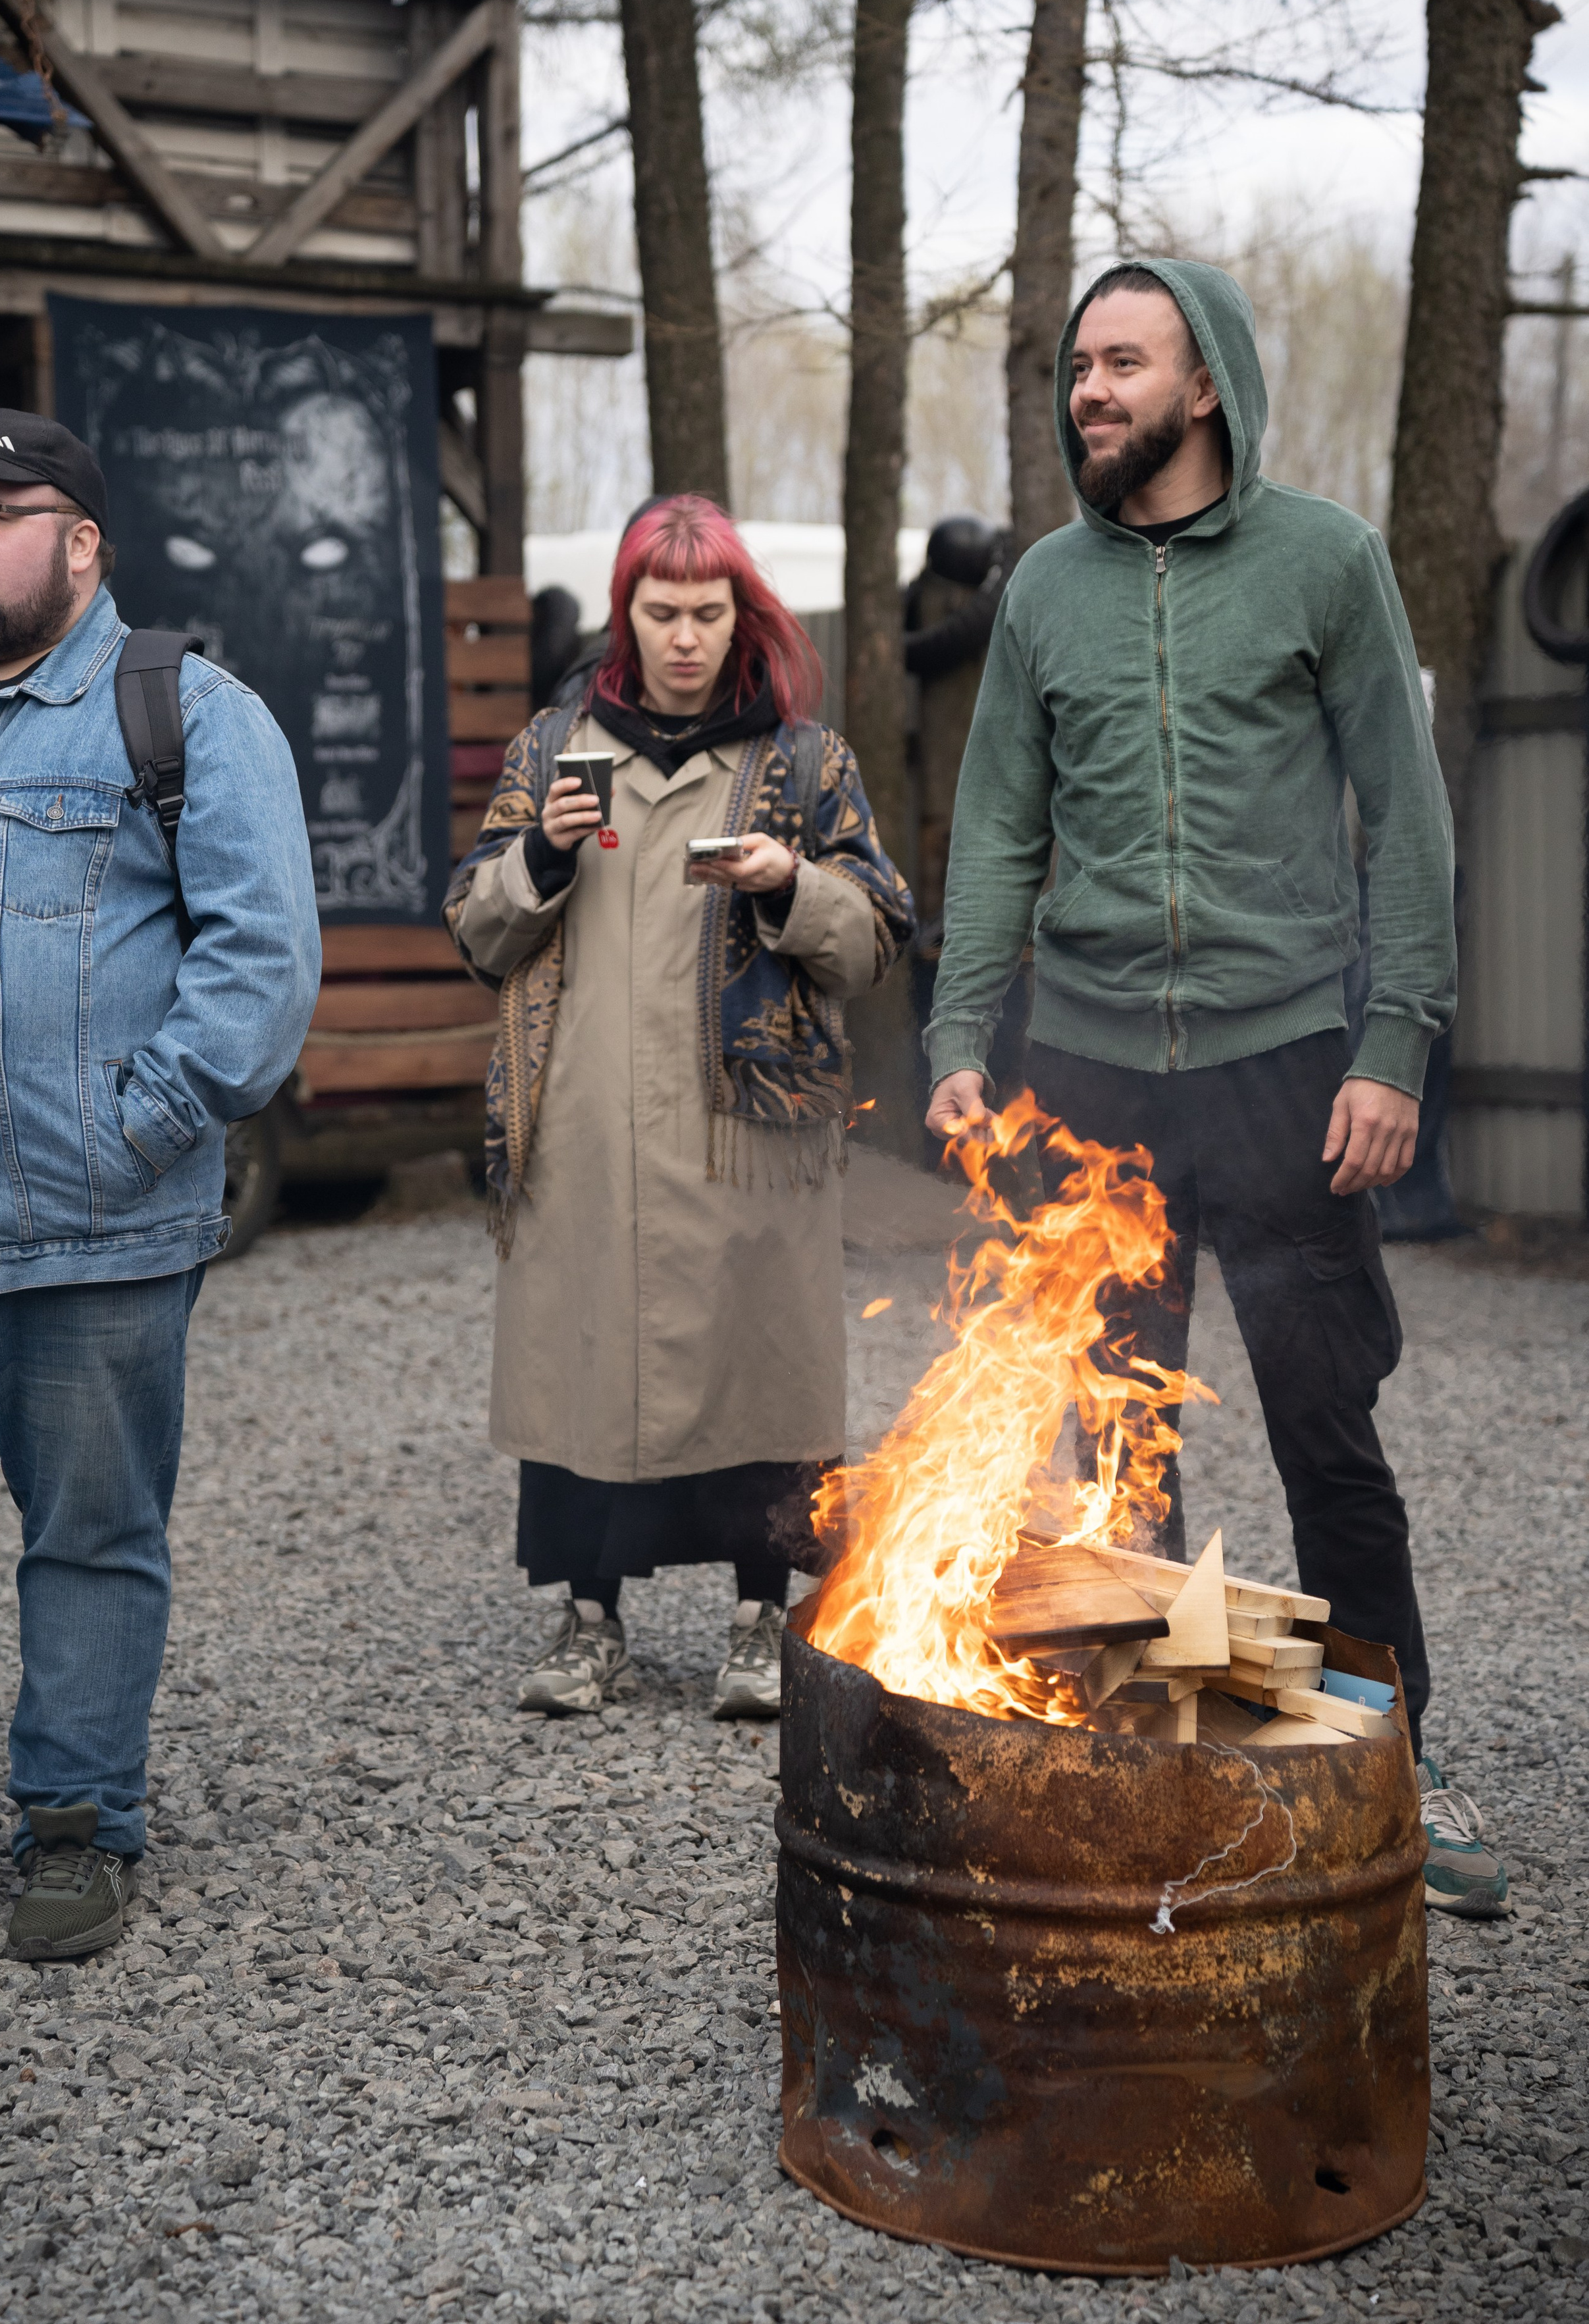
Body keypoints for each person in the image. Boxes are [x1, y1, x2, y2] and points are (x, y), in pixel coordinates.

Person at [924, 261, 1508, 1919]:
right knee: (1121, 1451)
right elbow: (997, 834)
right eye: (1073, 366)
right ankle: (1176, 1770)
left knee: (1330, 1434)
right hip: (1092, 1076)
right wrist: (961, 1037)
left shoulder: (1322, 560)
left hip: (1284, 1066)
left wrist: (1395, 1040)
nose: (1086, 390)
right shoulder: (1043, 590)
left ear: (1203, 387)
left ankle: (1399, 1758)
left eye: (1121, 362)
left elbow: (1402, 813)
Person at [0, 410, 320, 1959]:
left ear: (83, 543)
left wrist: (134, 1133)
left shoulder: (192, 718)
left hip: (93, 1231)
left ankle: (75, 1825)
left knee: (87, 1538)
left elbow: (261, 969)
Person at [446, 495, 914, 1720]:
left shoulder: (807, 763)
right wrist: (542, 858)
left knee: (763, 1371)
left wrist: (791, 882)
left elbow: (877, 939)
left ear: (743, 615)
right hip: (585, 1130)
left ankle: (764, 1615)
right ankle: (588, 1616)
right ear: (628, 613)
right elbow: (476, 930)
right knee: (581, 1369)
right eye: (663, 612)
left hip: (748, 1138)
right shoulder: (556, 750)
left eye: (710, 612)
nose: (687, 637)